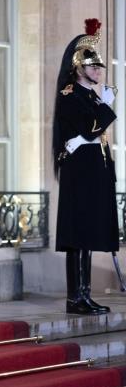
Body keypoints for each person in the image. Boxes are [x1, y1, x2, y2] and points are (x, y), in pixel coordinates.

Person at [52, 18, 118, 315]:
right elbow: (92, 128)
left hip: (93, 172)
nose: (98, 71)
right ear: (78, 67)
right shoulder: (70, 95)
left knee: (87, 235)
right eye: (92, 67)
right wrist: (105, 104)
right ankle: (74, 298)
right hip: (79, 172)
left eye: (99, 67)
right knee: (77, 236)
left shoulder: (89, 95)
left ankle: (85, 295)